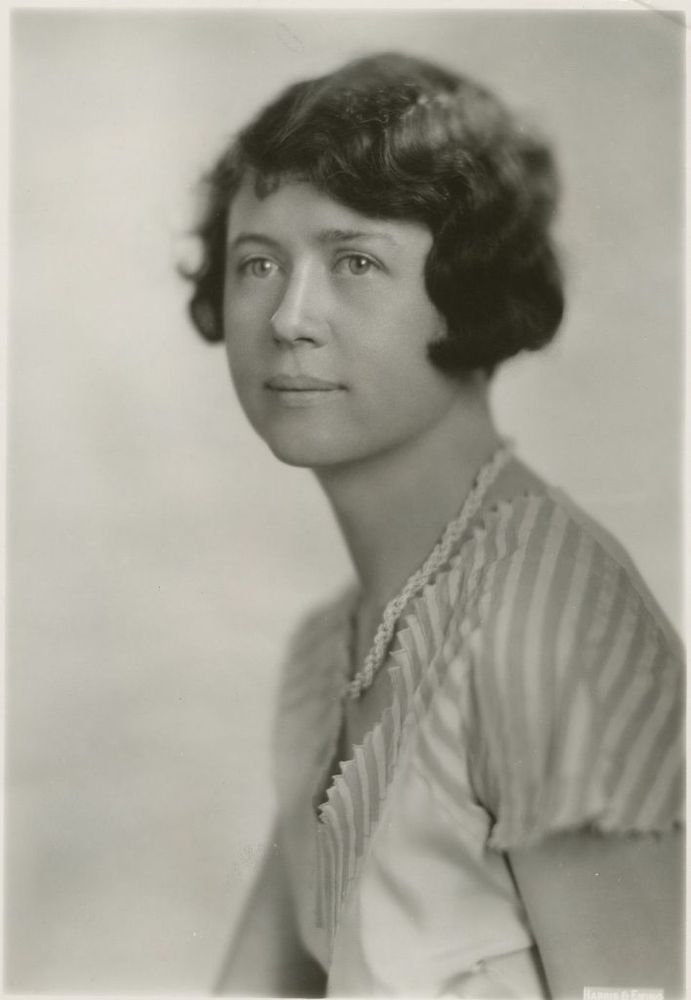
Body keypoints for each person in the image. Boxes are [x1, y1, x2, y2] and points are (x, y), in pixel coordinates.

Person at [183, 52, 684, 998]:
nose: (288, 317)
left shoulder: (551, 633)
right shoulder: (326, 656)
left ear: (470, 287)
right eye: (258, 263)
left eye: (355, 261)